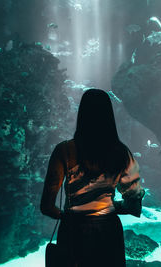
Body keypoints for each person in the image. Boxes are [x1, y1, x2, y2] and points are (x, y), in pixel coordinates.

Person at [40, 89, 145, 267]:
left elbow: (46, 207)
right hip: (109, 232)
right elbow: (134, 204)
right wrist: (109, 206)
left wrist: (67, 215)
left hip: (73, 231)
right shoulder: (122, 153)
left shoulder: (64, 151)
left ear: (82, 114)